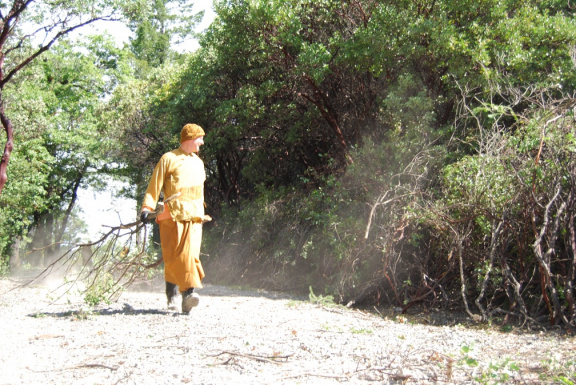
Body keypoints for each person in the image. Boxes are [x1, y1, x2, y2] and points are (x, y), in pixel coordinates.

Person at [140, 123, 207, 314]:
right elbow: (156, 184)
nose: (202, 142)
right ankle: (173, 296)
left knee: (190, 255)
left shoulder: (198, 163)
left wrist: (201, 215)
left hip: (193, 217)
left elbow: (199, 192)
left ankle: (188, 296)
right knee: (172, 257)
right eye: (200, 138)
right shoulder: (168, 158)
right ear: (190, 138)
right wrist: (147, 207)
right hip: (172, 216)